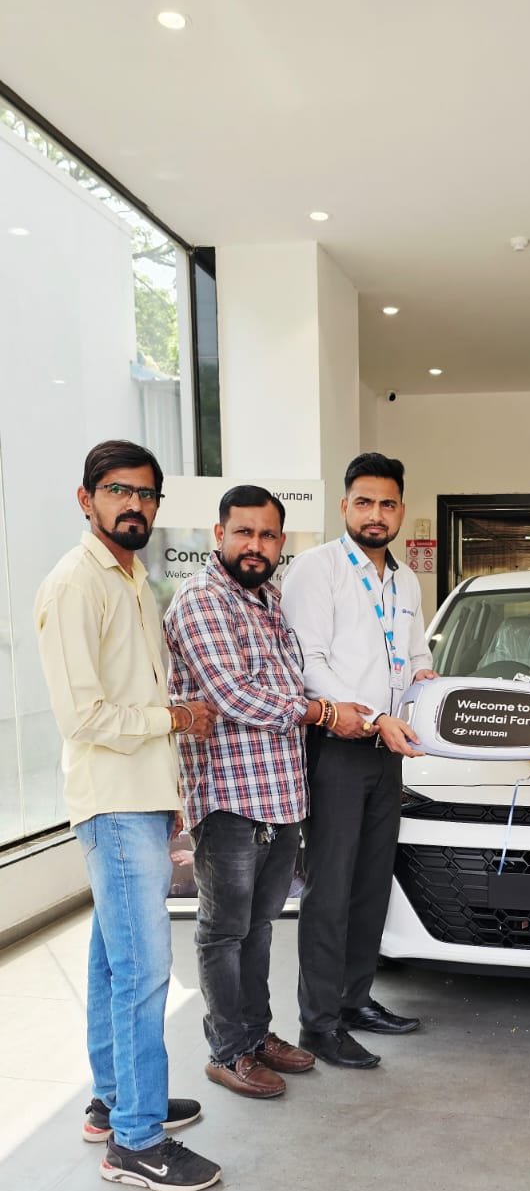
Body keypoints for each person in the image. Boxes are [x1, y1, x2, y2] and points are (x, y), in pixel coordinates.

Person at [34, 439, 222, 1191]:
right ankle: (137, 1142)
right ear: (87, 499)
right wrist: (175, 719)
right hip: (112, 801)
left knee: (114, 963)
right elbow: (82, 716)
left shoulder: (133, 579)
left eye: (146, 494)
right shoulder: (76, 584)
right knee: (144, 969)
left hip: (138, 798)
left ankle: (114, 1103)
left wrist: (169, 793)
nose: (134, 504)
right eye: (118, 490)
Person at [164, 484, 373, 1099]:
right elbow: (234, 695)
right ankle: (228, 1051)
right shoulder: (203, 600)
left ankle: (256, 1036)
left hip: (281, 794)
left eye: (267, 535)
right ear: (219, 535)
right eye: (244, 532)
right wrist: (323, 713)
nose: (255, 545)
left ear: (281, 542)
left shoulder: (270, 599)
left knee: (258, 929)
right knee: (224, 931)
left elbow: (288, 680)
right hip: (230, 796)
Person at [280, 452, 435, 1069]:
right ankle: (318, 1024)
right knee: (330, 889)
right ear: (344, 505)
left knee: (372, 883)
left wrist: (427, 683)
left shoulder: (406, 581)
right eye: (364, 502)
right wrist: (373, 716)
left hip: (387, 751)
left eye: (387, 504)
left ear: (400, 510)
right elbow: (309, 662)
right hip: (337, 749)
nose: (376, 514)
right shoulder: (316, 569)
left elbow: (415, 654)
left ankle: (354, 1000)